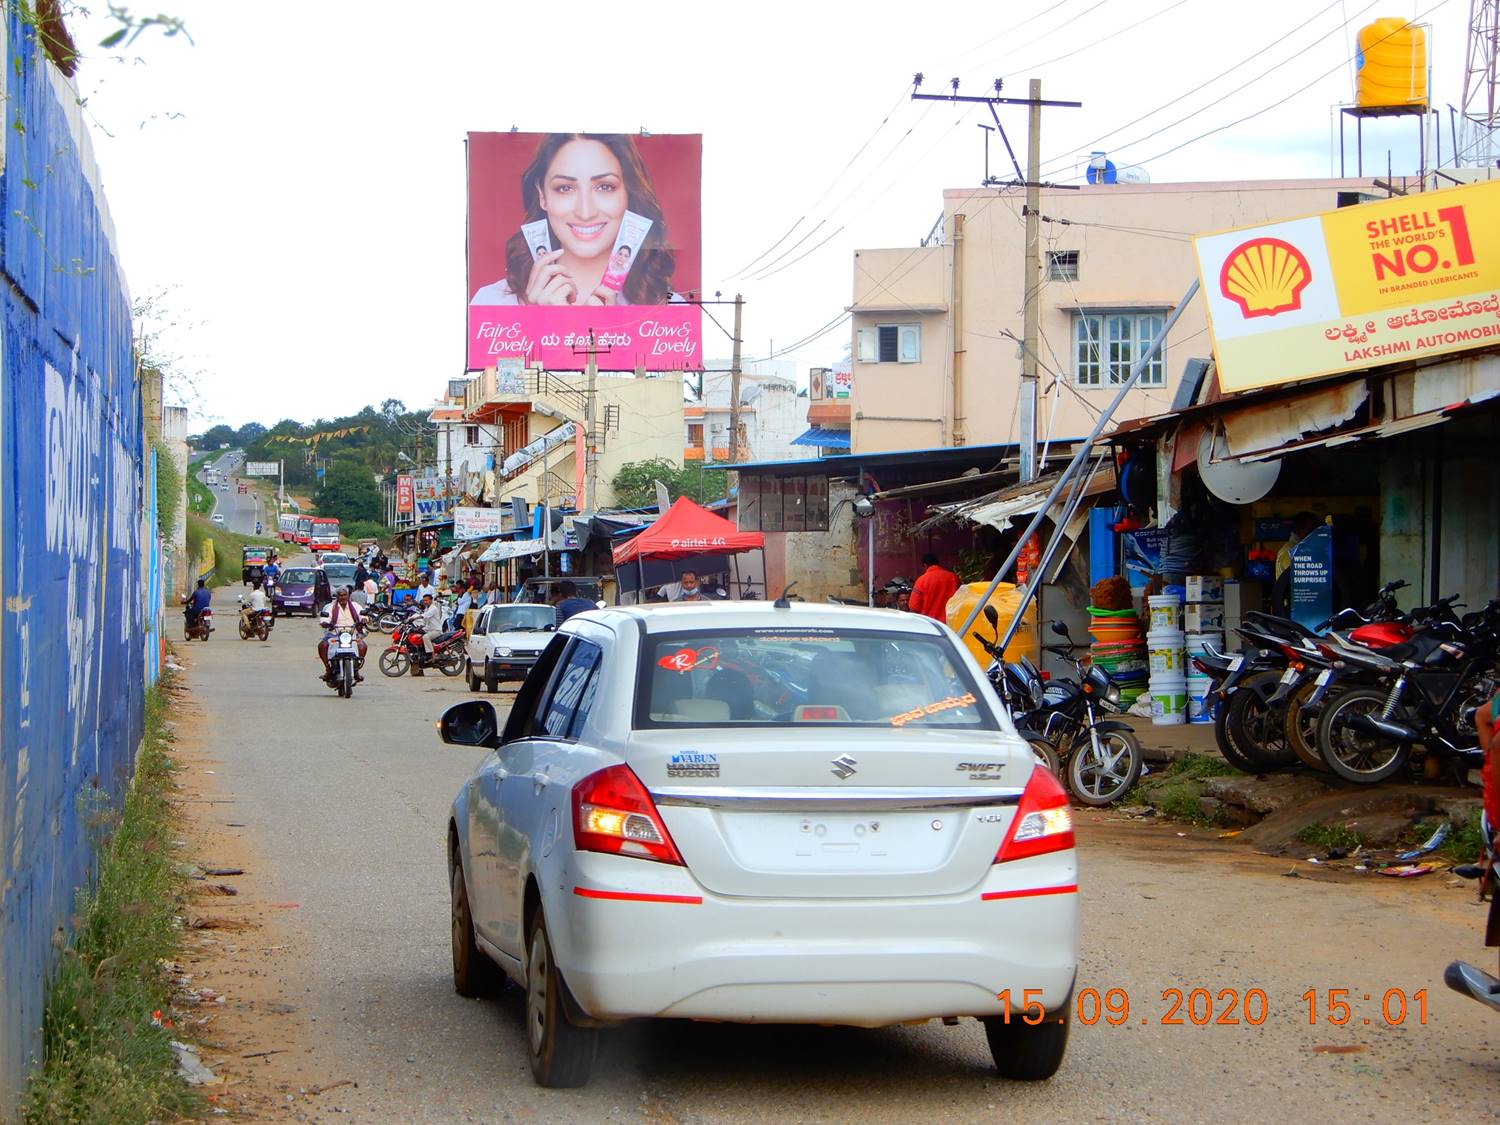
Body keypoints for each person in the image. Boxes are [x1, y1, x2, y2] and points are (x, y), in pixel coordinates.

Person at [470, 133, 679, 308]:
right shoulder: (491, 303)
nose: (585, 212)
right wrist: (539, 323)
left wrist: (613, 329)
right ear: (542, 195)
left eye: (605, 187)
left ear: (628, 194)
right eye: (565, 188)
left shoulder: (671, 309)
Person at [318, 586, 367, 682]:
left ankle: (356, 670)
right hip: (335, 634)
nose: (343, 598)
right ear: (337, 596)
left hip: (351, 634)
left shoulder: (355, 606)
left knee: (362, 646)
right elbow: (325, 618)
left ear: (348, 596)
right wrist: (325, 623)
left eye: (345, 595)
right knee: (323, 645)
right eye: (340, 595)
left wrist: (364, 619)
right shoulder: (330, 607)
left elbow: (362, 615)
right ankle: (328, 669)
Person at [908, 554, 958, 623]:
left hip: (930, 624)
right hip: (951, 623)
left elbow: (914, 606)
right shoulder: (953, 577)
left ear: (925, 565)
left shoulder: (921, 580)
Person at [1275, 512, 1321, 580]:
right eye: (1311, 530)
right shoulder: (1291, 551)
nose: (1315, 534)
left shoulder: (1303, 549)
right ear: (1299, 529)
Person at [412, 593, 447, 675]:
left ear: (431, 600)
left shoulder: (433, 608)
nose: (425, 602)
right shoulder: (426, 609)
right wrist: (419, 627)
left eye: (426, 600)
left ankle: (432, 655)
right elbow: (425, 622)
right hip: (429, 629)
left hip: (436, 631)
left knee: (425, 637)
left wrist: (414, 618)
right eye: (424, 600)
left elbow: (425, 616)